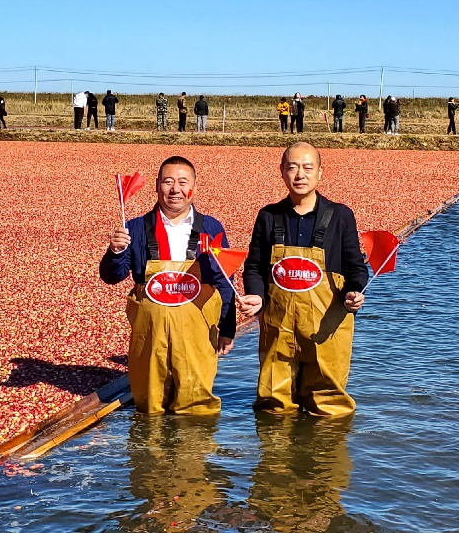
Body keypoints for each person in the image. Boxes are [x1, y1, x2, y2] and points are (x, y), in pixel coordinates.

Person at [99, 156, 237, 415]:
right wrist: (115, 251)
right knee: (149, 408)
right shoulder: (135, 227)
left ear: (193, 187)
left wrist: (227, 328)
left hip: (197, 335)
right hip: (150, 336)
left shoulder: (210, 227)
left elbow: (224, 280)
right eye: (168, 182)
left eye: (183, 182)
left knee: (196, 409)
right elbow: (112, 276)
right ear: (156, 186)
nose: (175, 190)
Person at [239, 142, 368, 416]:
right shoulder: (268, 216)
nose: (300, 174)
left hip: (326, 329)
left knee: (329, 408)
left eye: (308, 167)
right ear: (282, 172)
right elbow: (254, 267)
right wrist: (256, 295)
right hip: (279, 328)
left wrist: (354, 292)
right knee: (273, 406)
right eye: (293, 167)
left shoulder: (341, 216)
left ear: (320, 172)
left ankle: (326, 456)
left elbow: (356, 267)